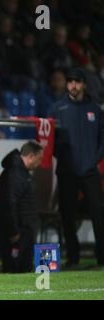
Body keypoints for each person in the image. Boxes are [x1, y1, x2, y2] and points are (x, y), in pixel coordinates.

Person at [49, 67, 104, 267]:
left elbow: (102, 139)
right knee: (67, 216)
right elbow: (50, 141)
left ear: (84, 84)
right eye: (70, 81)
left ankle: (102, 258)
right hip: (67, 172)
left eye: (77, 81)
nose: (73, 85)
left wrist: (94, 159)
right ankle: (73, 258)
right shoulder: (57, 109)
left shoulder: (95, 109)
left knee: (99, 216)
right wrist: (65, 159)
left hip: (90, 172)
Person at [0, 141, 44, 273]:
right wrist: (13, 231)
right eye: (39, 158)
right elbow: (9, 204)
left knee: (22, 269)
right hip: (16, 234)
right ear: (31, 156)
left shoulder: (21, 173)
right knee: (14, 269)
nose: (40, 163)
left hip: (22, 231)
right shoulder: (15, 174)